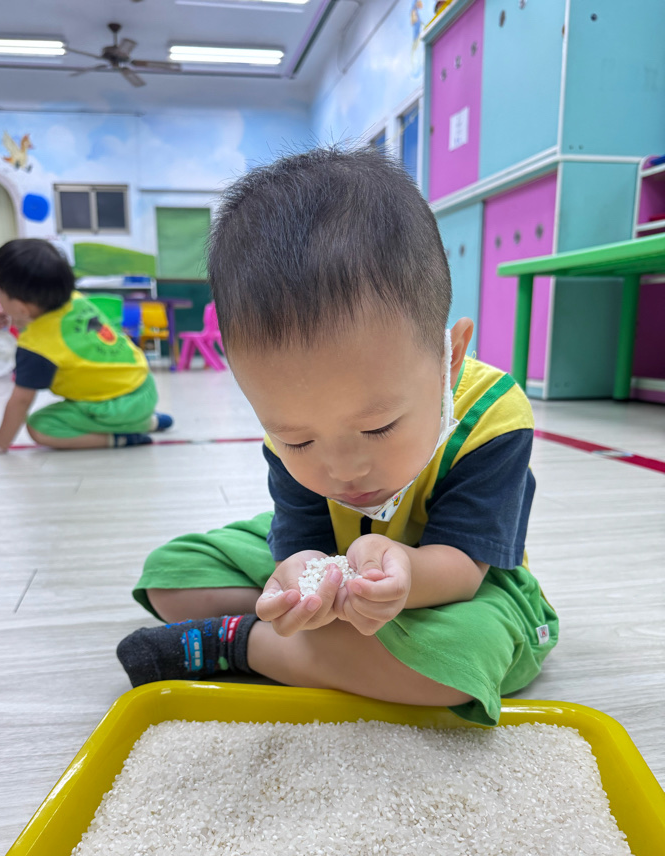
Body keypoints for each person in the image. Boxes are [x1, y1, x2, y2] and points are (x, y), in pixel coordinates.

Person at [117, 147, 558, 726]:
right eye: (299, 442)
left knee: (462, 657)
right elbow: (302, 539)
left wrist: (401, 573)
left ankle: (241, 643)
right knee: (172, 577)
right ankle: (336, 646)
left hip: (456, 582)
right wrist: (299, 576)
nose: (343, 469)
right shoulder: (289, 431)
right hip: (345, 557)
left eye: (378, 427)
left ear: (449, 359)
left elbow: (464, 567)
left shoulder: (493, 419)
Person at [0, 239, 173, 456]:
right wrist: (17, 318)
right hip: (144, 385)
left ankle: (123, 435)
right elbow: (51, 325)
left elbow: (22, 400)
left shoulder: (35, 347)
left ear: (21, 307)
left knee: (39, 426)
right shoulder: (76, 300)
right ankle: (148, 420)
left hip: (116, 406)